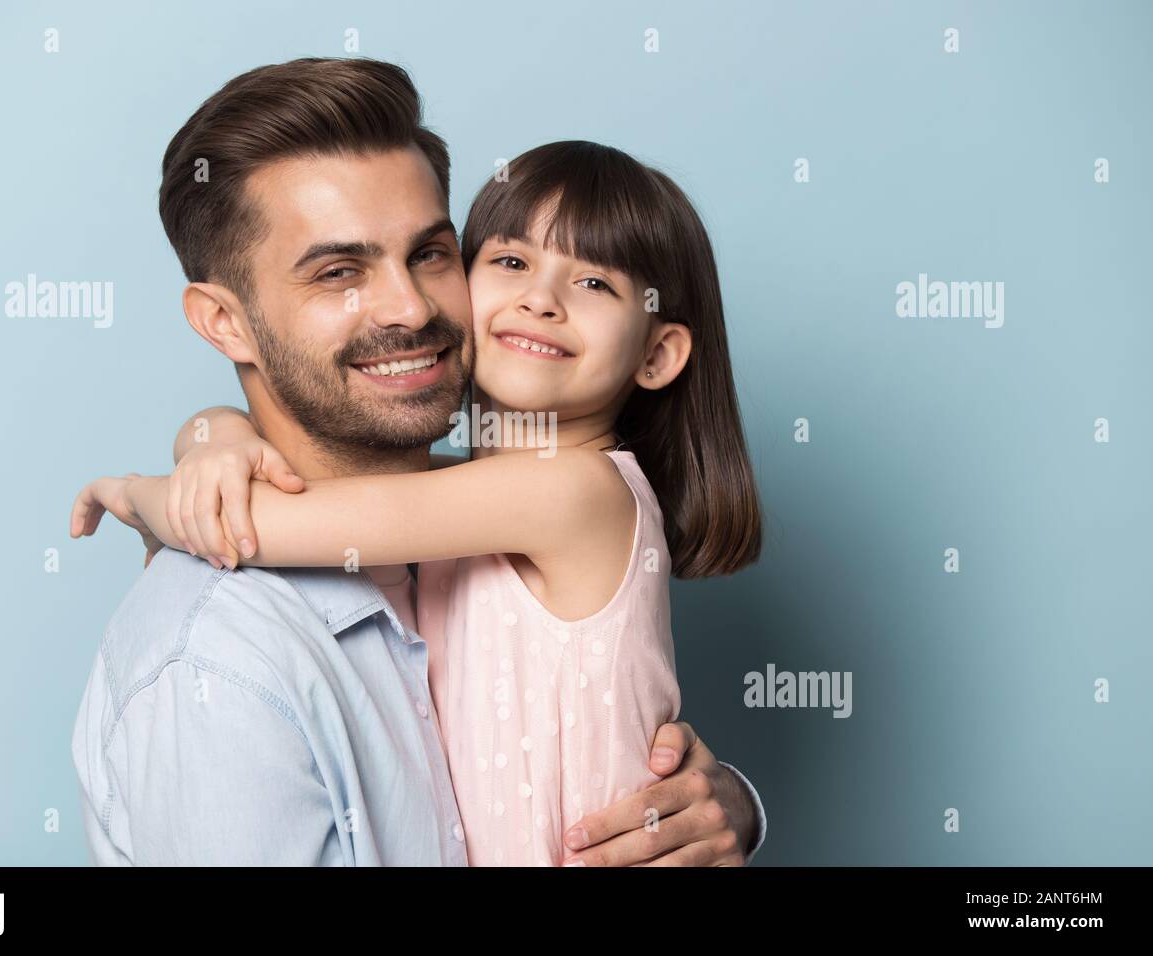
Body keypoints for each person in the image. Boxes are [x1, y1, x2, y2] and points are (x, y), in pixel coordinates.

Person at [71, 56, 765, 865]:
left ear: (659, 352)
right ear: (225, 324)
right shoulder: (220, 669)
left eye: (430, 254)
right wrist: (211, 435)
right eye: (340, 272)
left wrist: (146, 491)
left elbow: (301, 519)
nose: (409, 307)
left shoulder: (537, 499)